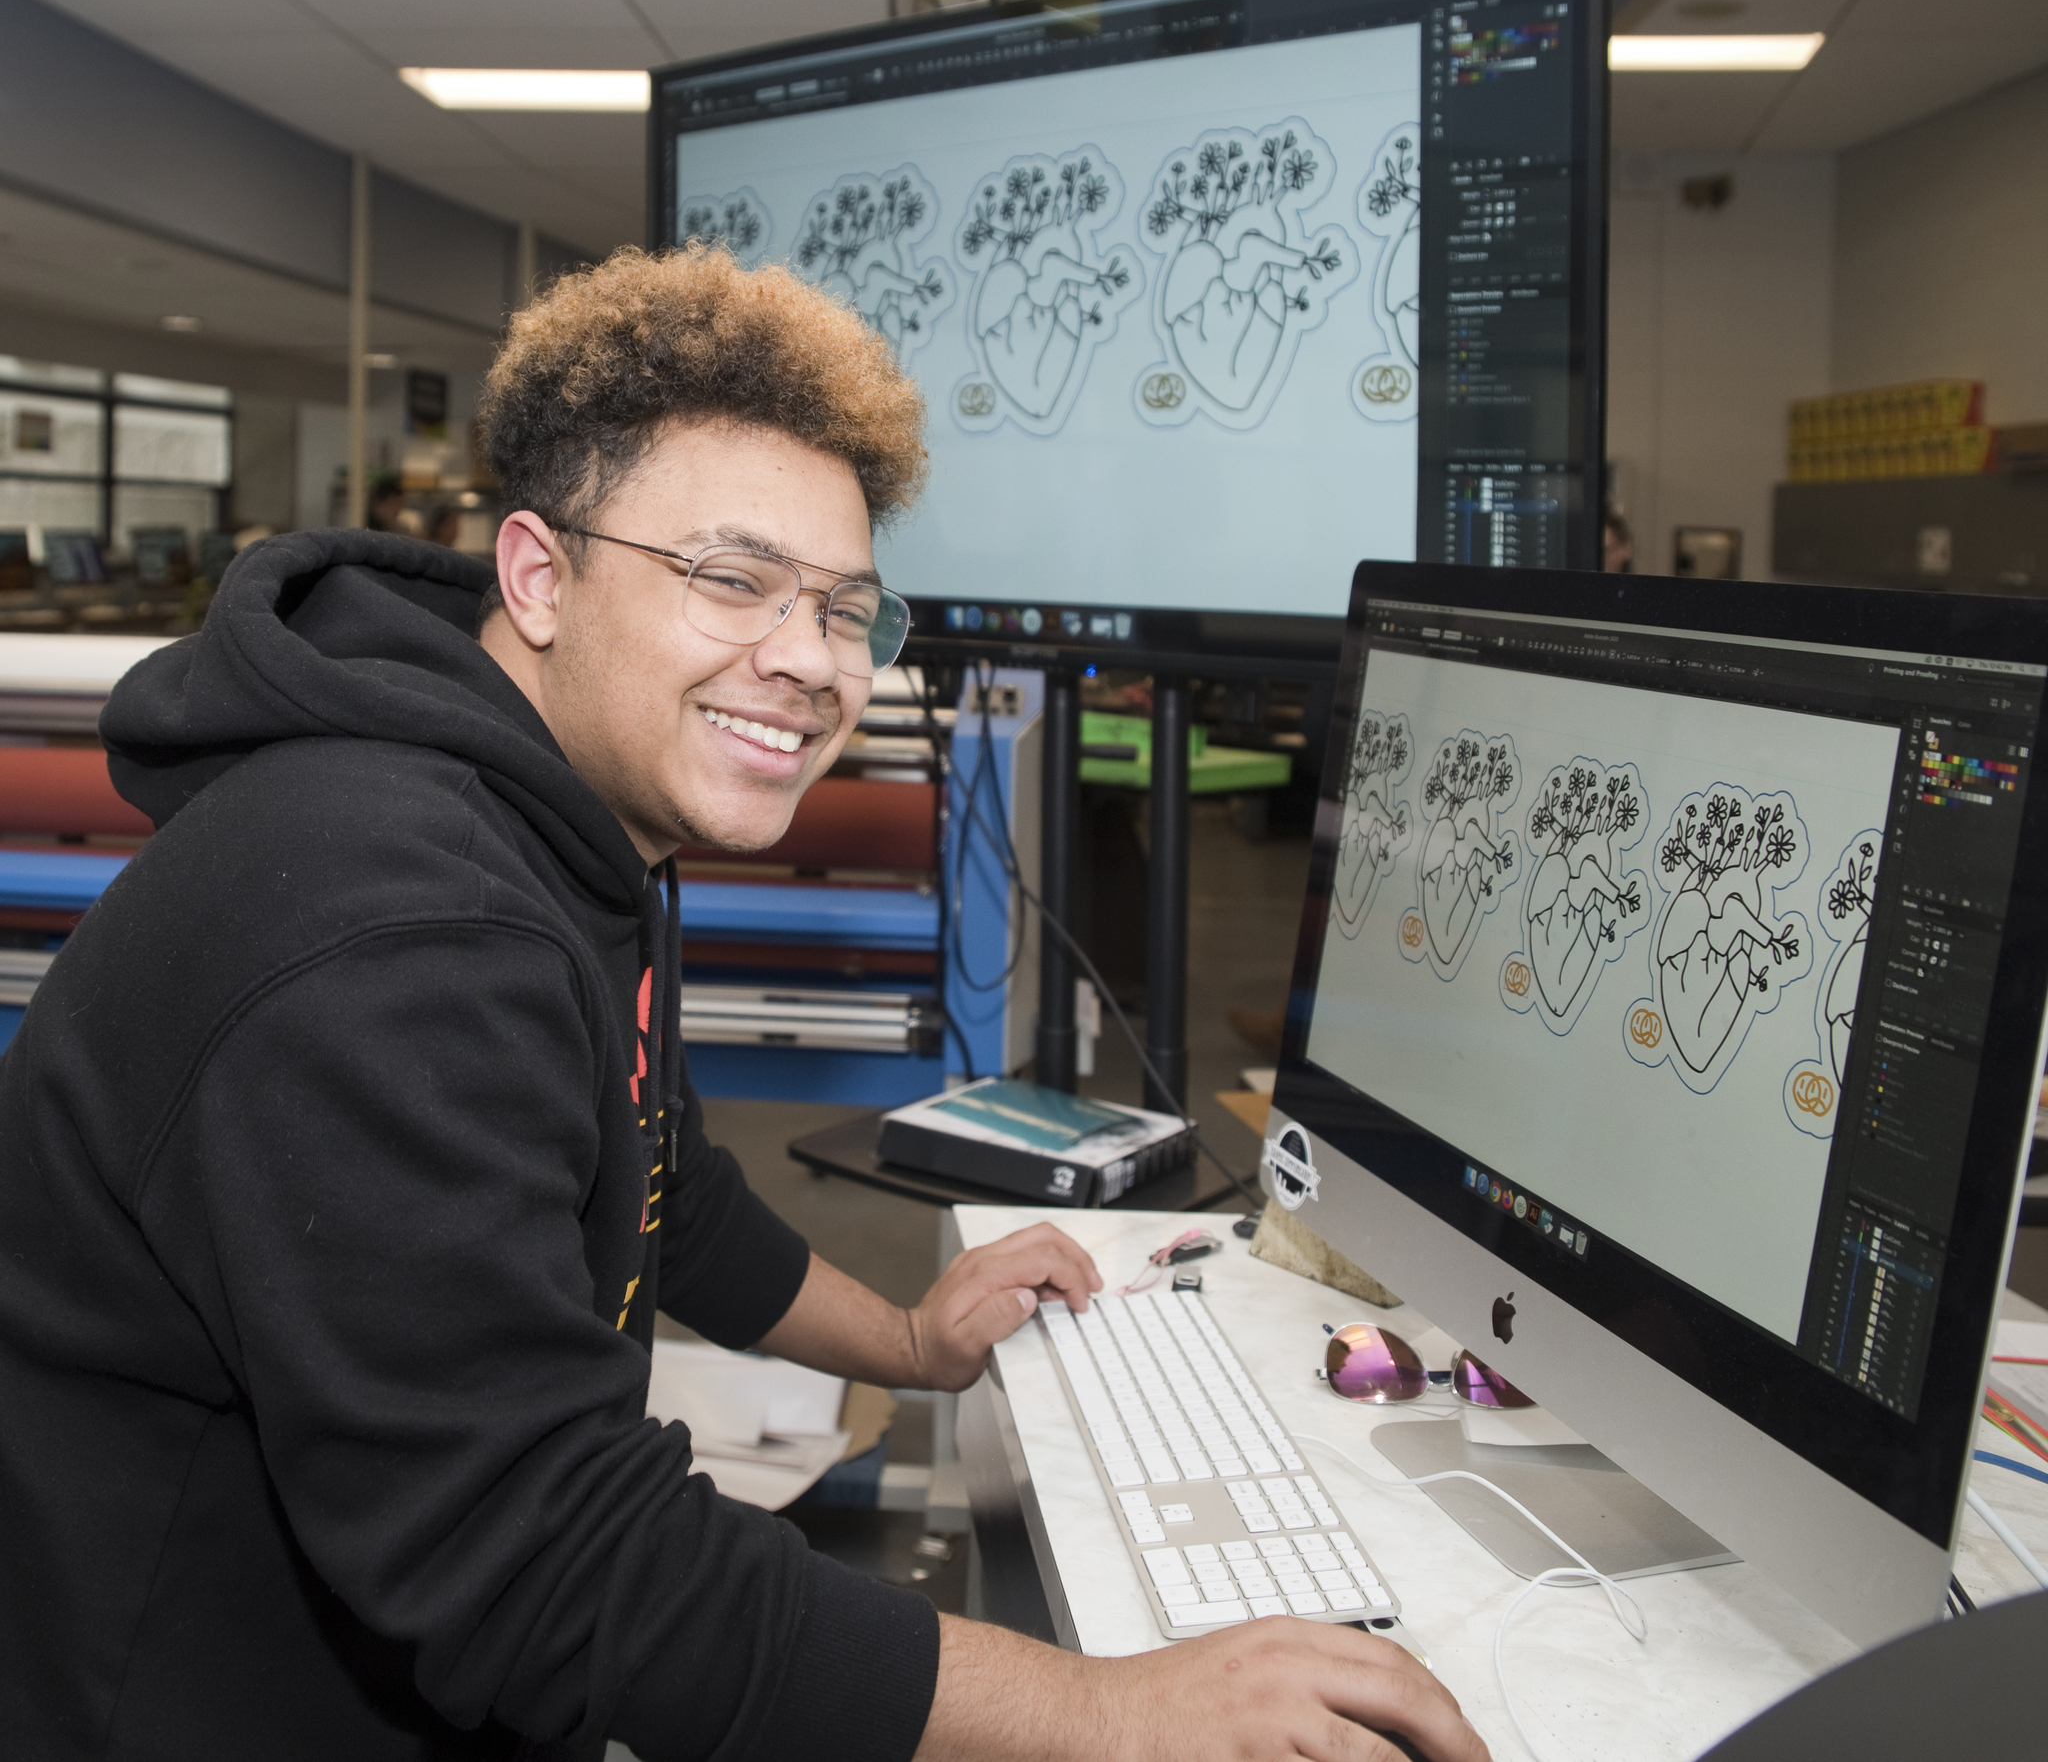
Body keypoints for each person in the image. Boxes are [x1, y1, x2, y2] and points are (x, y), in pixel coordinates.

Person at [0, 245, 1487, 1762]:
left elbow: (664, 1185)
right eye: (730, 577)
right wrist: (1113, 1709)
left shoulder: (573, 819)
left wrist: (908, 1340)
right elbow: (544, 1556)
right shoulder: (392, 917)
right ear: (538, 576)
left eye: (846, 608)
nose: (804, 660)